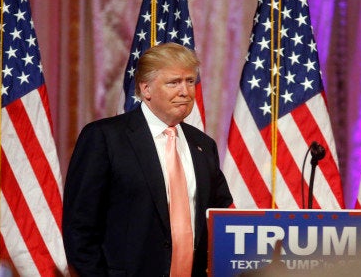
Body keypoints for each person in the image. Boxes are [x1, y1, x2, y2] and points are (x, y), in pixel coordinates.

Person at [62, 42, 233, 276]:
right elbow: (79, 227)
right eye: (174, 82)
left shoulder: (203, 145)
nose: (185, 91)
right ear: (146, 89)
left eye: (190, 81)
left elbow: (221, 215)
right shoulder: (104, 138)